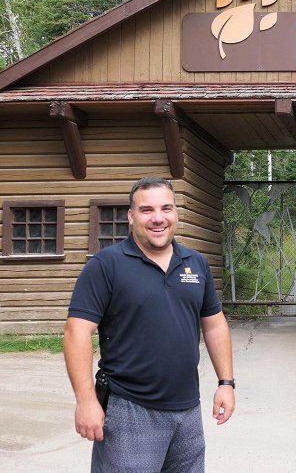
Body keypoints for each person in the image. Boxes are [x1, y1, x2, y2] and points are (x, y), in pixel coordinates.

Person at [64, 177, 235, 472]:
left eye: (166, 208)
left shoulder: (195, 263)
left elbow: (214, 324)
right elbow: (76, 332)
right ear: (131, 216)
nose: (158, 218)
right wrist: (86, 401)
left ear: (176, 214)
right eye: (147, 210)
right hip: (130, 410)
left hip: (187, 410)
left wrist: (226, 383)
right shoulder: (107, 265)